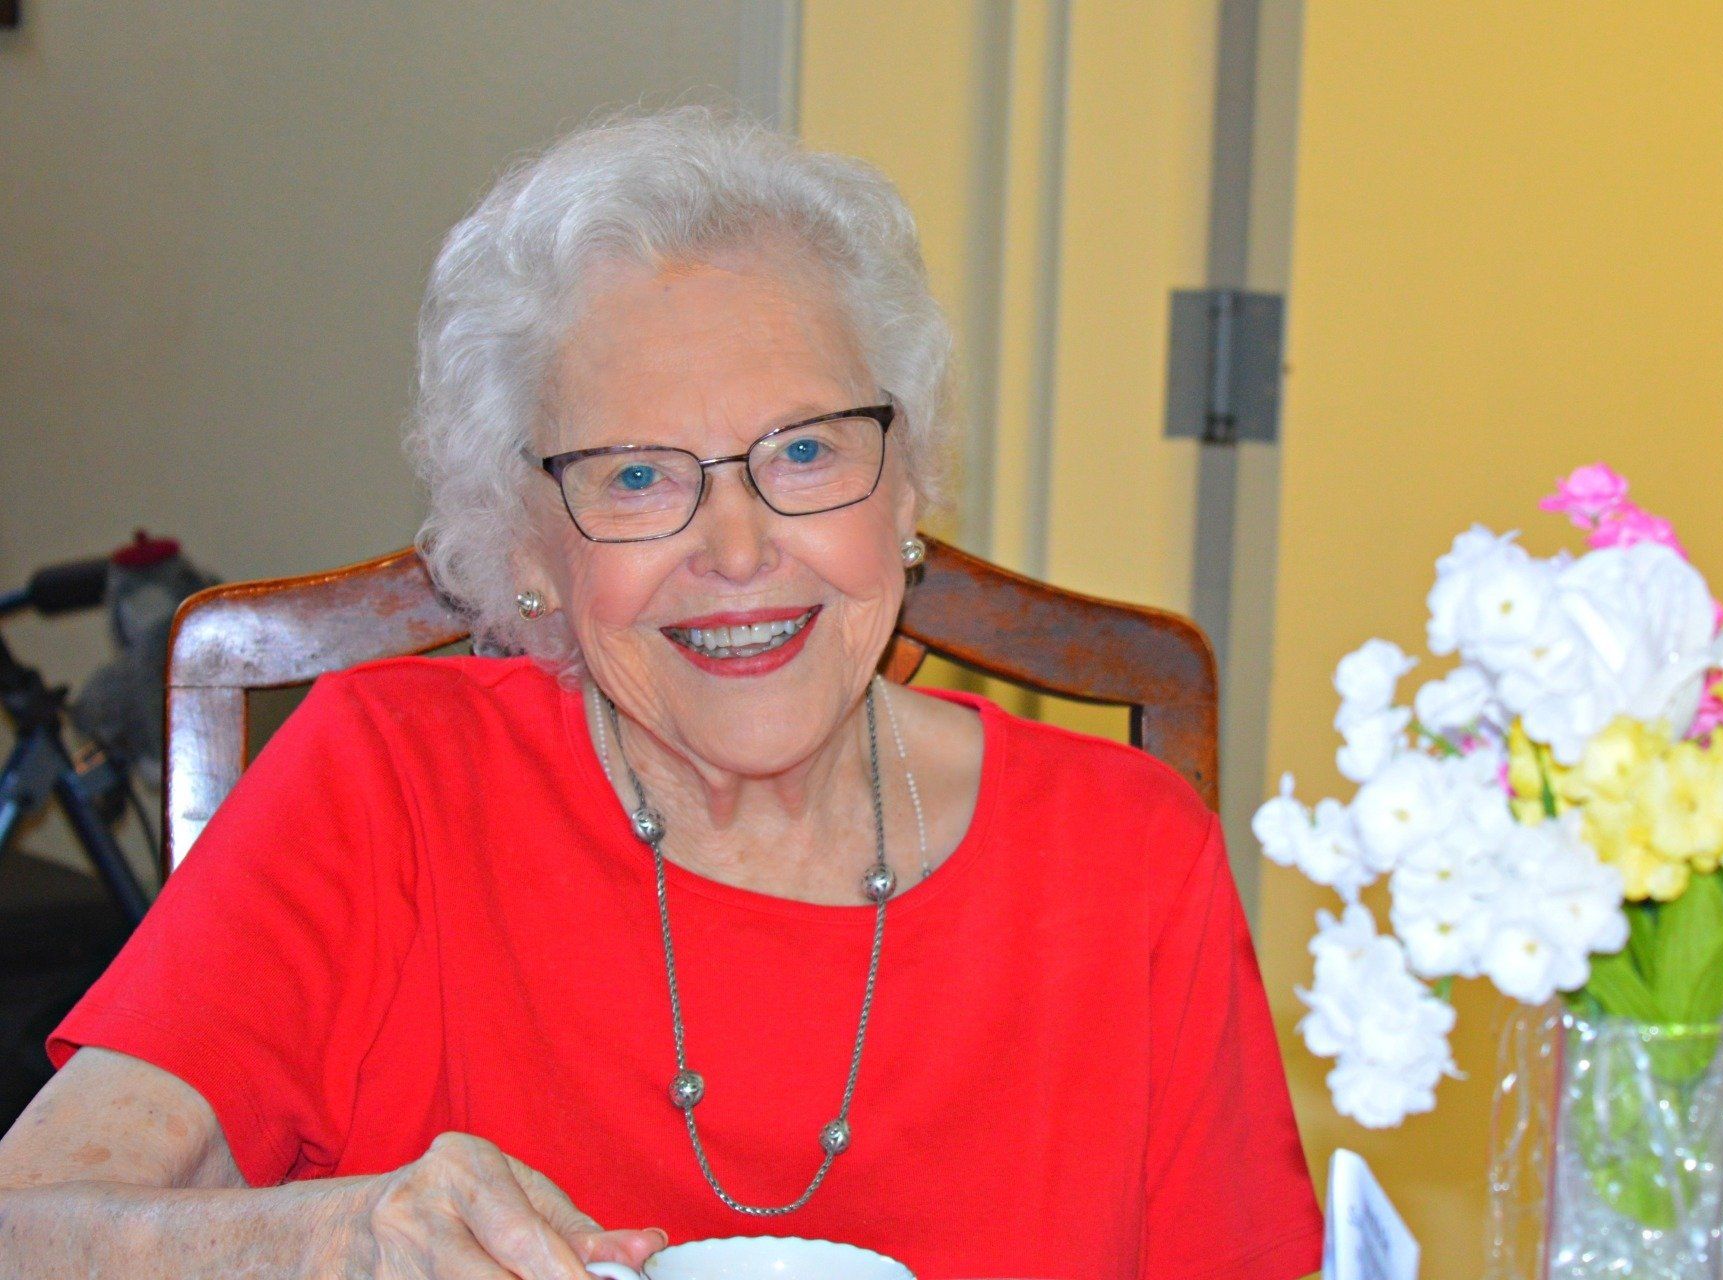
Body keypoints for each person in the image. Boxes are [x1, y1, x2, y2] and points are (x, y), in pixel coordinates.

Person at [0, 108, 1322, 1278]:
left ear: (909, 488)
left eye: (804, 452)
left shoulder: (1126, 856)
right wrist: (314, 1246)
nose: (737, 553)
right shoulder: (382, 785)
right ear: (528, 545)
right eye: (637, 477)